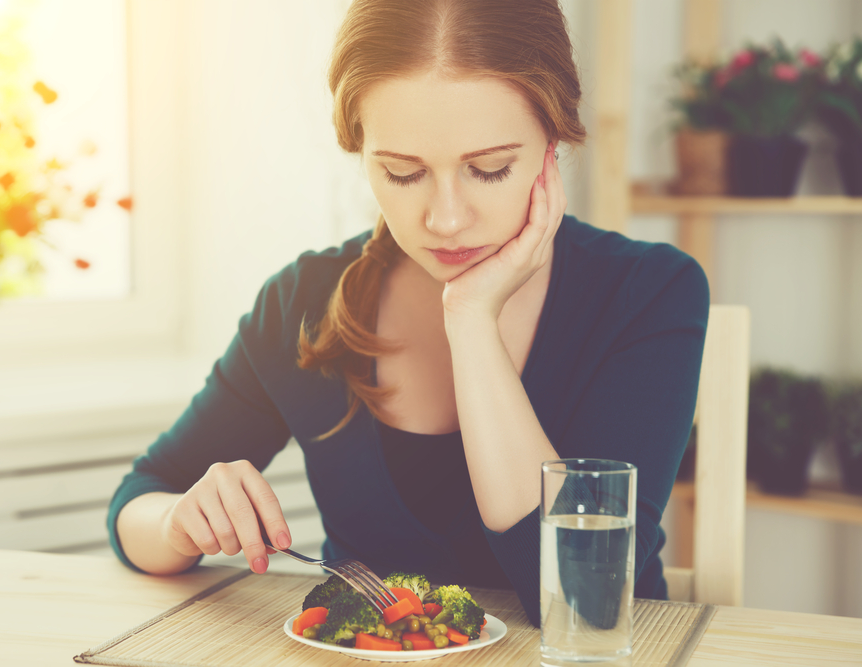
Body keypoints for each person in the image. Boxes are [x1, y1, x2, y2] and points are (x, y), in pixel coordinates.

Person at [108, 0, 709, 629]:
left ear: (551, 146)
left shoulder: (649, 292)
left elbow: (583, 599)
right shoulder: (303, 302)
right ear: (361, 152)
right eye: (402, 173)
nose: (445, 219)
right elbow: (139, 502)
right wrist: (180, 522)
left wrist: (472, 320)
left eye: (489, 169)